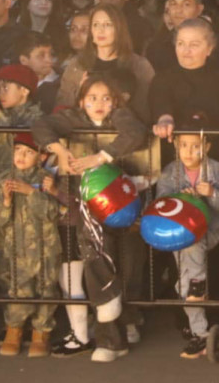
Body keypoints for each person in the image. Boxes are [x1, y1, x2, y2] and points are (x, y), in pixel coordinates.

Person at [32, 75, 147, 363]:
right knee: (97, 262)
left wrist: (100, 157)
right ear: (82, 101)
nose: (99, 103)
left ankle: (127, 322)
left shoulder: (122, 117)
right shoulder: (73, 118)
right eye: (92, 97)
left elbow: (134, 133)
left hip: (127, 202)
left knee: (129, 266)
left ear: (115, 101)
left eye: (106, 97)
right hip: (90, 208)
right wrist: (58, 149)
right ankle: (111, 340)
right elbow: (40, 125)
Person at [156, 112, 219, 359]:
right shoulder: (170, 171)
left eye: (196, 146)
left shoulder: (217, 169)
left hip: (209, 230)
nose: (189, 152)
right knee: (188, 271)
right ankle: (198, 320)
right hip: (177, 233)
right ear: (176, 146)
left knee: (193, 246)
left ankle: (198, 329)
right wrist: (183, 198)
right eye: (184, 145)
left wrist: (211, 193)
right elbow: (161, 202)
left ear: (206, 146)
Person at [0, 133, 61, 359]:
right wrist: (7, 201)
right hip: (16, 247)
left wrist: (31, 192)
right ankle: (14, 330)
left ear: (40, 157)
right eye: (18, 150)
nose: (21, 156)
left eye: (29, 152)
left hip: (45, 247)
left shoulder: (46, 179)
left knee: (46, 287)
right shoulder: (2, 180)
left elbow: (52, 212)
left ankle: (41, 333)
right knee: (19, 288)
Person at [57, 4, 155, 121]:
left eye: (107, 25)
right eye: (96, 25)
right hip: (81, 131)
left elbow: (145, 110)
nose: (100, 30)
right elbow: (62, 107)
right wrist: (80, 91)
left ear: (119, 29)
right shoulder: (77, 65)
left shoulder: (140, 66)